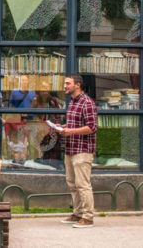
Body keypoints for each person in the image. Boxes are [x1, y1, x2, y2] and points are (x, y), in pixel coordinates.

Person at [52, 74, 98, 229]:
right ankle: (78, 213)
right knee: (72, 183)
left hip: (83, 150)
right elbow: (76, 124)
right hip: (70, 149)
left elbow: (92, 127)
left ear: (77, 85)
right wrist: (63, 127)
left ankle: (88, 217)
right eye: (65, 83)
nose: (65, 86)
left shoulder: (87, 103)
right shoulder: (72, 102)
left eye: (67, 83)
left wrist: (70, 131)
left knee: (83, 184)